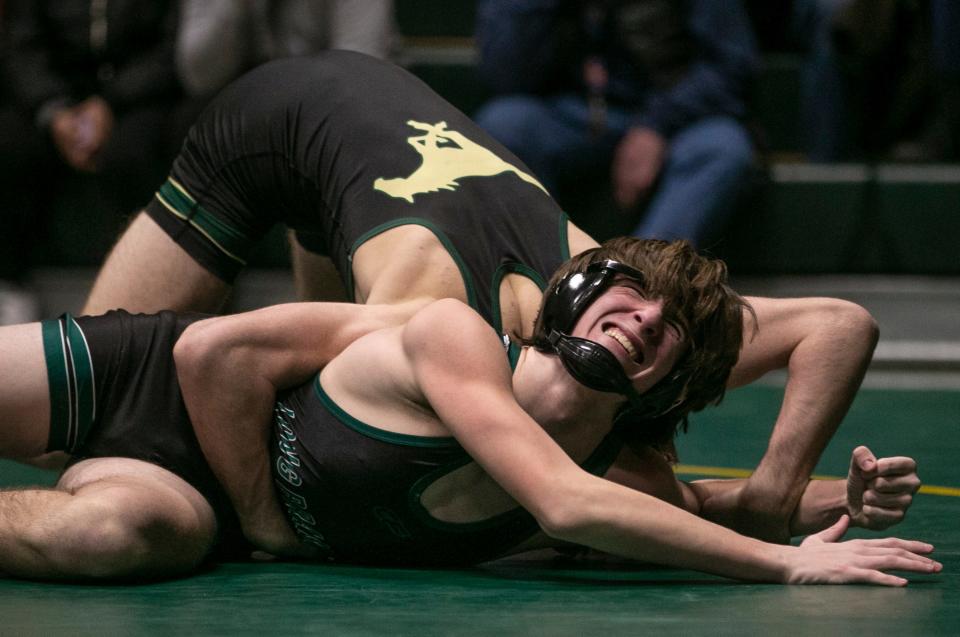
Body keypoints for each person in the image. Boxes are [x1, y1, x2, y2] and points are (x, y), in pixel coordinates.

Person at [81, 51, 879, 544]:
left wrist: (781, 491)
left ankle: (323, 221)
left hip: (363, 132)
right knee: (82, 437)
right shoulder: (427, 312)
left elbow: (838, 325)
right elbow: (233, 365)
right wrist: (259, 520)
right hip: (269, 120)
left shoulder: (631, 294)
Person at [0, 239, 935, 583]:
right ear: (578, 290)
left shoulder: (611, 475)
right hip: (147, 377)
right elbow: (208, 349)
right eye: (636, 294)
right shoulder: (455, 337)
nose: (646, 321)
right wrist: (263, 522)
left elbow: (689, 509)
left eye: (672, 333)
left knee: (113, 538)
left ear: (670, 387)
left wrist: (825, 511)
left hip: (175, 493)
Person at [472, 0, 758, 247]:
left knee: (723, 146)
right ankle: (549, 274)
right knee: (503, 125)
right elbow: (502, 74)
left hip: (674, 116)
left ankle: (640, 277)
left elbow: (731, 66)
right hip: (570, 114)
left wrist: (656, 125)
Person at [176, 0, 397, 99]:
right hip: (247, 100)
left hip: (329, 105)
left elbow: (358, 74)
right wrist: (236, 6)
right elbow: (198, 78)